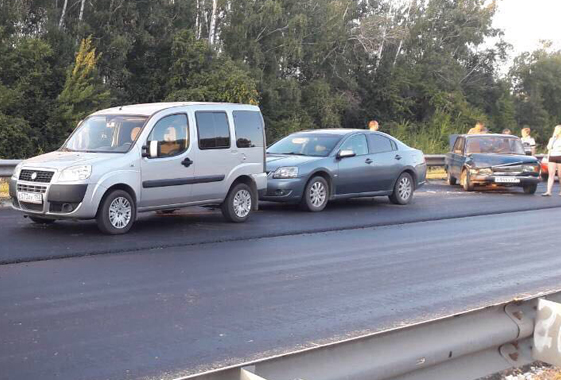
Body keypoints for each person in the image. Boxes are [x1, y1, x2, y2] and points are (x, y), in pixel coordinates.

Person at [543, 125, 561, 196]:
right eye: (555, 129)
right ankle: (548, 191)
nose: (555, 131)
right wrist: (548, 157)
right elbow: (549, 148)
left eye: (557, 129)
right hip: (552, 157)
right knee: (551, 174)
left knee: (560, 175)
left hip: (560, 156)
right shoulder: (552, 139)